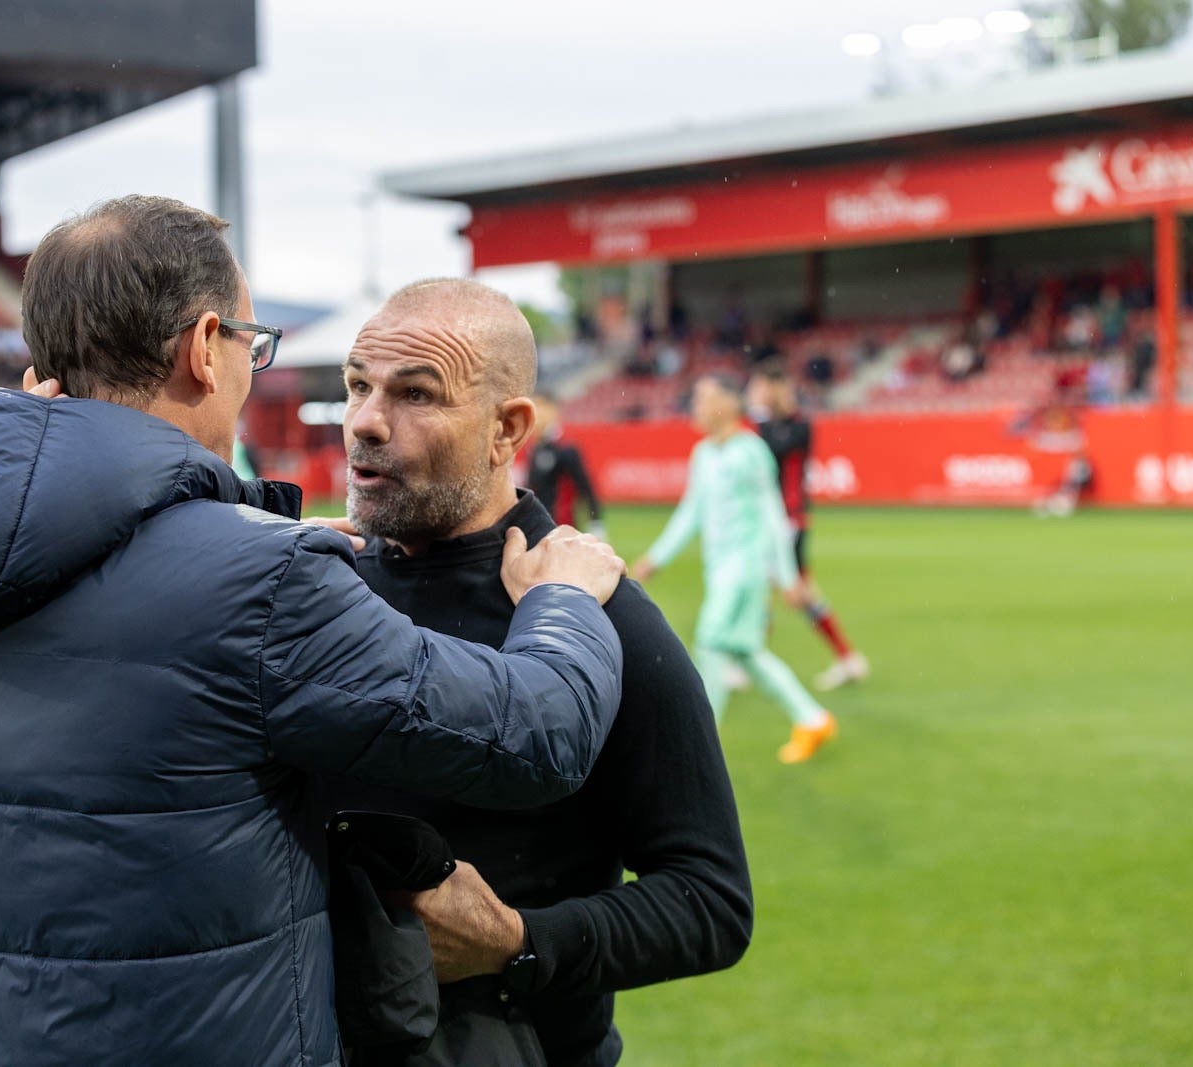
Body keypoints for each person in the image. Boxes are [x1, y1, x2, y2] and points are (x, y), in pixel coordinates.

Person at [0, 195, 627, 1067]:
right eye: (249, 342)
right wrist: (563, 597)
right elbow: (535, 733)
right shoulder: (261, 581)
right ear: (203, 346)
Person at [327, 280, 752, 1066]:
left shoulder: (607, 618)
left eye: (417, 393)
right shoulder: (320, 587)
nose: (365, 421)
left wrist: (518, 942)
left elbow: (711, 902)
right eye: (357, 384)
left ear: (507, 428)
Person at [631, 376, 839, 764]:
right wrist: (654, 558)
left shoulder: (751, 452)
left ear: (727, 404)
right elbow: (690, 512)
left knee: (710, 640)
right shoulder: (704, 454)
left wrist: (788, 575)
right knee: (745, 651)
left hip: (745, 568)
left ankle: (697, 743)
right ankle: (812, 719)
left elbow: (773, 515)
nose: (694, 405)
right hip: (719, 569)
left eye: (703, 398)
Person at [746, 365, 869, 691]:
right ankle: (845, 657)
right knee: (782, 590)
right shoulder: (771, 427)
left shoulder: (797, 426)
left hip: (790, 521)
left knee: (790, 591)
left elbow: (773, 453)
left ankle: (846, 657)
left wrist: (759, 416)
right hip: (779, 521)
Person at [526, 393, 604, 535]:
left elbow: (586, 488)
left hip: (562, 530)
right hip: (537, 528)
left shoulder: (567, 448)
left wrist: (595, 522)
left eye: (540, 407)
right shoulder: (534, 448)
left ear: (553, 411)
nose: (536, 414)